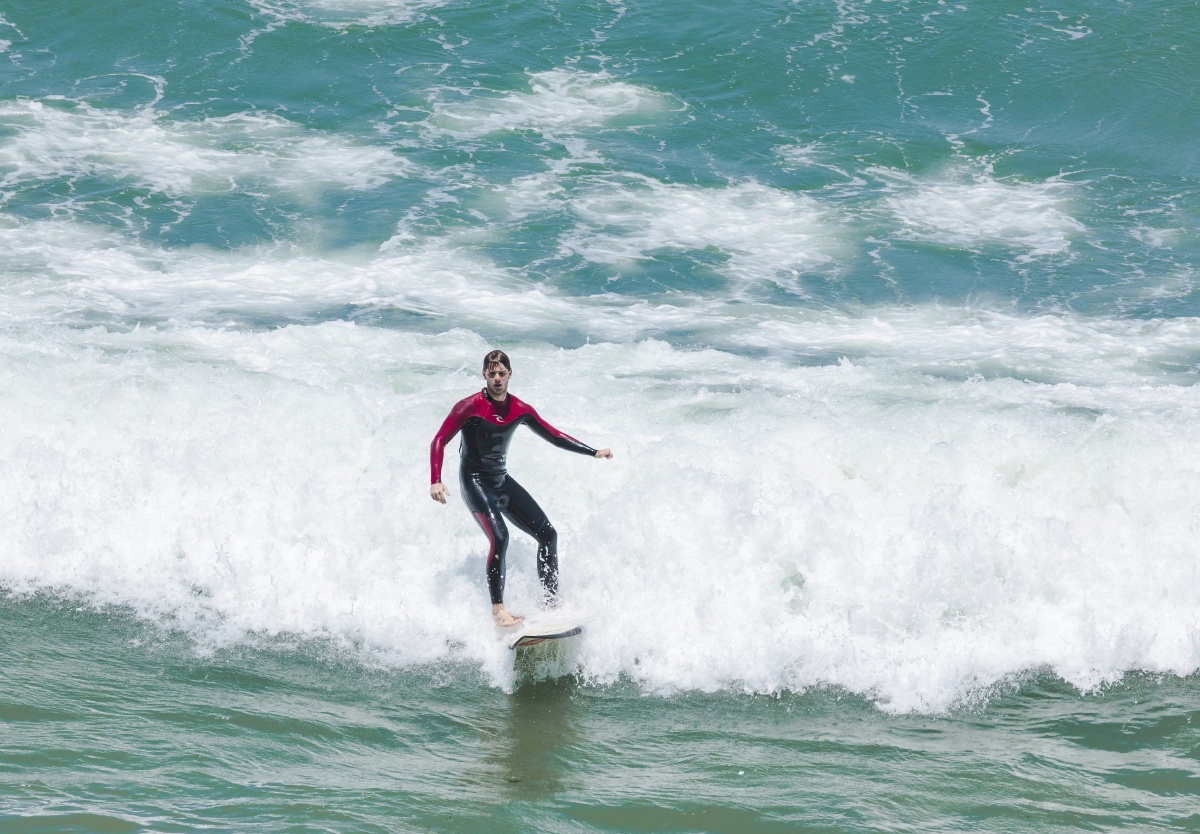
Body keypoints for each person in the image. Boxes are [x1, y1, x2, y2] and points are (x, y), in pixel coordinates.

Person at [430, 350, 613, 627]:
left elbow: (554, 436)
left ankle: (551, 601)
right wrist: (436, 479)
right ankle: (498, 609)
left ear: (510, 374)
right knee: (500, 537)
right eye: (491, 373)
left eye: (501, 373)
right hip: (475, 482)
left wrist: (593, 451)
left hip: (500, 481)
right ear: (484, 375)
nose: (497, 378)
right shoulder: (469, 406)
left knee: (547, 534)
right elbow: (440, 439)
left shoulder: (520, 409)